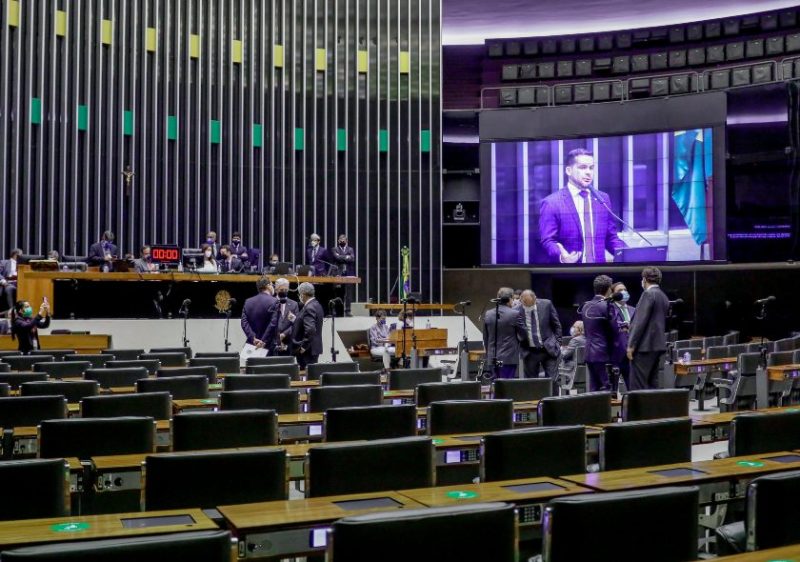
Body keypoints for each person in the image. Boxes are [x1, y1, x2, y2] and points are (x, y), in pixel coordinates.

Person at [539, 148, 625, 264]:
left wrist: (629, 254)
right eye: (583, 167)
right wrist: (562, 256)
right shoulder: (552, 203)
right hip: (571, 271)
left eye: (591, 168)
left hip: (600, 271)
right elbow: (548, 240)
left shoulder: (603, 199)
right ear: (569, 170)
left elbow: (611, 237)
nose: (588, 172)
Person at [627, 267, 670, 390]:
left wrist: (631, 345)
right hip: (657, 346)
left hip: (644, 347)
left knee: (638, 386)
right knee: (652, 384)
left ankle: (639, 405)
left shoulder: (648, 294)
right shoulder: (663, 296)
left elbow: (639, 322)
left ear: (644, 279)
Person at [516, 289, 562, 394]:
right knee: (531, 384)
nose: (528, 307)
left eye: (530, 305)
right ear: (521, 301)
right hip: (529, 351)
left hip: (548, 349)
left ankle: (553, 402)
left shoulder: (546, 304)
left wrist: (558, 342)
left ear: (535, 299)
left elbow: (556, 324)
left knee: (552, 381)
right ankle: (535, 403)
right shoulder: (516, 310)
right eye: (525, 305)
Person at [580, 275, 615, 391]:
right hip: (603, 353)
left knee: (593, 387)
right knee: (606, 387)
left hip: (589, 352)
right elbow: (613, 329)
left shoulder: (586, 306)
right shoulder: (606, 305)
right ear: (609, 289)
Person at [482, 287, 524, 379]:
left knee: (495, 384)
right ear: (510, 299)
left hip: (493, 358)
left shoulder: (488, 314)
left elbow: (485, 337)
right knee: (506, 384)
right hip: (508, 359)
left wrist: (489, 355)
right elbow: (523, 334)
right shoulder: (514, 314)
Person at [609, 281, 636, 392]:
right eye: (620, 290)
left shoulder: (633, 310)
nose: (624, 292)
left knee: (633, 389)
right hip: (615, 355)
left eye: (625, 290)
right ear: (613, 294)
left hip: (632, 355)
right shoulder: (610, 309)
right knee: (612, 392)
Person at [291, 282, 324, 368]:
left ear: (303, 294)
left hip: (307, 351)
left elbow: (310, 330)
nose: (299, 296)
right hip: (312, 349)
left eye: (299, 294)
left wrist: (303, 347)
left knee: (306, 374)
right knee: (311, 373)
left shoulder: (309, 307)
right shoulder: (317, 304)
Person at [265, 278, 300, 354]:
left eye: (286, 290)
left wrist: (284, 334)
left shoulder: (294, 304)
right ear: (276, 290)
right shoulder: (270, 303)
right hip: (272, 342)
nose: (284, 292)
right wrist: (277, 336)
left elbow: (296, 323)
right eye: (281, 290)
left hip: (288, 342)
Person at [241, 276, 276, 349]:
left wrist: (253, 338)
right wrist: (263, 341)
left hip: (252, 344)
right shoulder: (274, 301)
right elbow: (273, 323)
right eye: (272, 284)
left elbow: (244, 323)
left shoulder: (248, 302)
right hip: (268, 346)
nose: (273, 287)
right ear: (268, 285)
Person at [331, 234, 355, 316]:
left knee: (348, 293)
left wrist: (341, 256)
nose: (342, 241)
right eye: (340, 240)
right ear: (338, 241)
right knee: (338, 293)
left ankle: (348, 311)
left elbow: (352, 259)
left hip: (348, 273)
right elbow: (336, 258)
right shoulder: (335, 249)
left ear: (346, 241)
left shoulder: (350, 249)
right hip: (338, 273)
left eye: (343, 240)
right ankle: (338, 311)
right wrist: (346, 257)